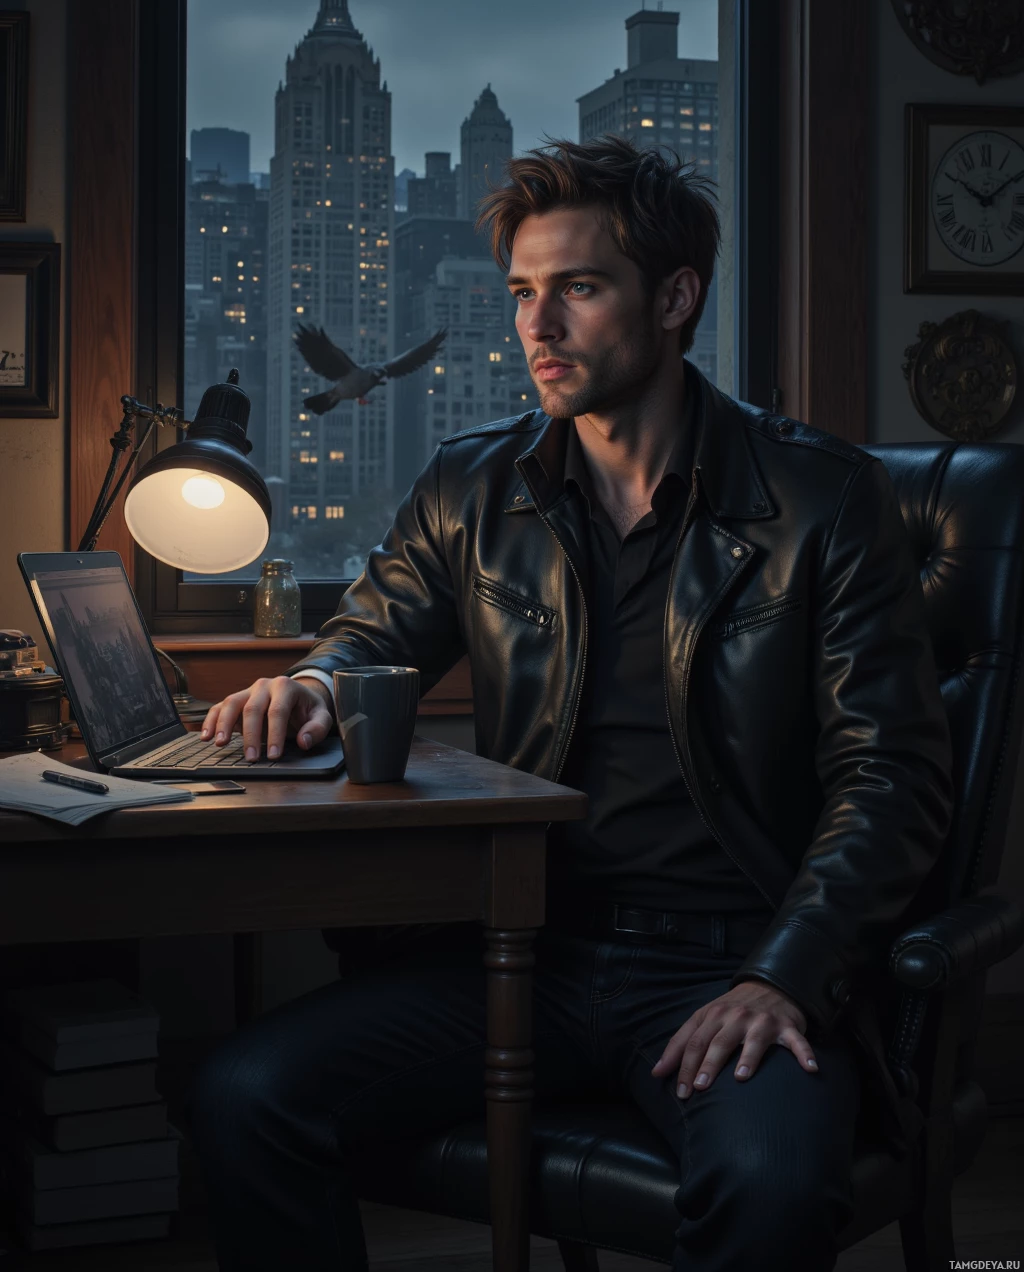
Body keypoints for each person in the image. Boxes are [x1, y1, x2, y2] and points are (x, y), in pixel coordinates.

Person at [187, 135, 954, 1272]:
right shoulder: (473, 486)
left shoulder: (821, 500)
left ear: (676, 296)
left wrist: (780, 974)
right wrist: (307, 683)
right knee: (243, 1097)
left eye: (578, 290)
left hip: (727, 958)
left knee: (772, 1185)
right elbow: (368, 635)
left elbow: (891, 779)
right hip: (516, 950)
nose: (534, 329)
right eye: (521, 294)